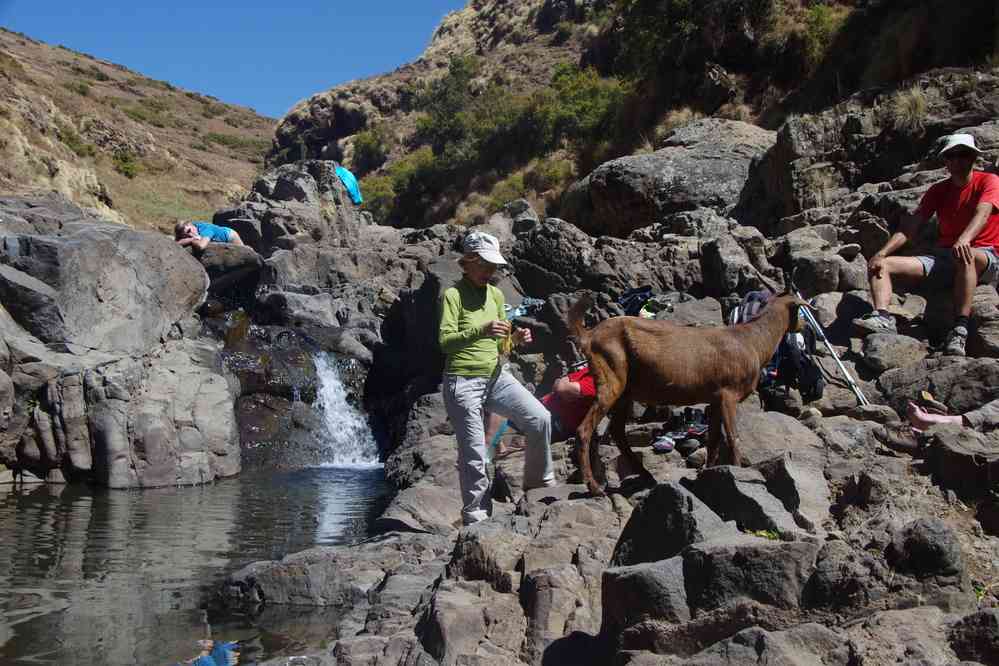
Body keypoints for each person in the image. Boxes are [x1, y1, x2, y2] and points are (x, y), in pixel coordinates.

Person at [439, 231, 555, 526]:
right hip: (462, 381)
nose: (492, 271)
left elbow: (501, 345)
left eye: (495, 266)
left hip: (495, 375)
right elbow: (446, 342)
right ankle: (476, 517)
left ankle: (538, 486)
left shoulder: (496, 294)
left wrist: (515, 338)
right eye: (486, 265)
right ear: (469, 261)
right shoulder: (453, 296)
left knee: (540, 418)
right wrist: (481, 330)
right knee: (475, 452)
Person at [853, 133, 999, 356]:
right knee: (882, 265)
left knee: (964, 253)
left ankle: (959, 329)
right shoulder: (938, 191)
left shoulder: (988, 181)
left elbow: (983, 212)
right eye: (952, 155)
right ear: (945, 161)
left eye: (964, 154)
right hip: (943, 257)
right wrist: (882, 252)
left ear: (973, 158)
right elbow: (911, 226)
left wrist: (965, 238)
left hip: (984, 255)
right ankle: (882, 317)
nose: (958, 160)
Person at [485, 362, 597, 455]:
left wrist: (563, 382)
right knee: (497, 405)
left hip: (554, 421)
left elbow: (562, 387)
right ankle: (497, 445)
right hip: (545, 409)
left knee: (500, 403)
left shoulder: (595, 381)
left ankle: (492, 447)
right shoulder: (591, 369)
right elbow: (558, 384)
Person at [174, 220, 244, 249]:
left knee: (244, 252)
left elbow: (201, 246)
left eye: (189, 230)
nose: (190, 234)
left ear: (191, 224)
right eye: (186, 236)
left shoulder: (205, 229)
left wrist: (191, 240)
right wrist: (192, 239)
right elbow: (175, 244)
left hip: (230, 236)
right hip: (216, 240)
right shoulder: (192, 230)